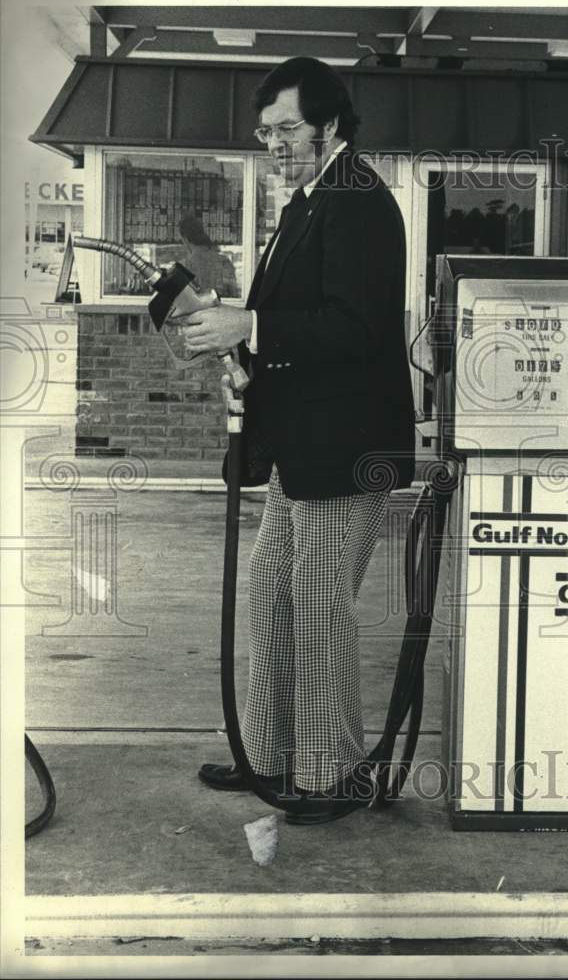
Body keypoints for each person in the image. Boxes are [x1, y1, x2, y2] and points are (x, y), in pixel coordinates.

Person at [181, 57, 415, 825]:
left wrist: (251, 325)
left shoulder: (359, 202)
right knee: (270, 592)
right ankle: (268, 755)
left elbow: (358, 327)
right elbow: (297, 322)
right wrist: (248, 355)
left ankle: (332, 773)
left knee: (317, 605)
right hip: (302, 443)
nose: (274, 145)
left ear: (331, 126)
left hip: (346, 447)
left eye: (287, 129)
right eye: (265, 132)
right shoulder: (310, 201)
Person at [178, 214, 240, 298]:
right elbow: (234, 294)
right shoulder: (224, 262)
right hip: (222, 309)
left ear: (185, 239)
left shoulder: (184, 267)